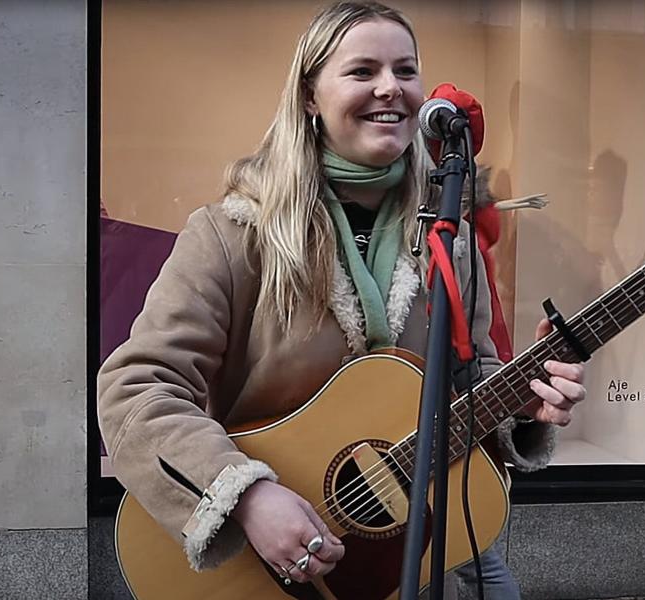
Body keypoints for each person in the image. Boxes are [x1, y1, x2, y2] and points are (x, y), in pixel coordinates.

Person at [97, 2, 586, 598]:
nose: (391, 88)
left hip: (410, 547)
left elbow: (469, 375)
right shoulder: (234, 234)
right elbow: (135, 387)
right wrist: (246, 496)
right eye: (363, 71)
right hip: (264, 567)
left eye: (406, 70)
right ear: (309, 96)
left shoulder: (446, 237)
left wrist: (521, 403)